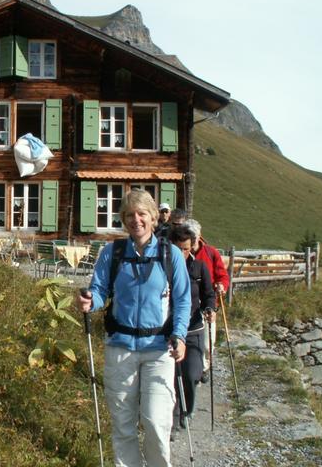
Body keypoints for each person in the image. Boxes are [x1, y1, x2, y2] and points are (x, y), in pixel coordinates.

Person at [76, 189, 191, 467]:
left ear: (153, 218)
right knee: (123, 423)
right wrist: (91, 301)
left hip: (159, 350)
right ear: (123, 219)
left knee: (155, 421)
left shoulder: (171, 254)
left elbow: (183, 299)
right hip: (120, 348)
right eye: (129, 215)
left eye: (141, 214)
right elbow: (101, 290)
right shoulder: (112, 252)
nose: (135, 220)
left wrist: (180, 336)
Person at [169, 224, 216, 429]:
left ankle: (187, 410)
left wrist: (210, 308)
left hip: (194, 329)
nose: (182, 252)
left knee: (191, 374)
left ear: (192, 247)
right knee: (171, 377)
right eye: (178, 248)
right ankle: (173, 418)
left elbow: (209, 294)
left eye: (186, 248)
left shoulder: (199, 268)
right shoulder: (163, 268)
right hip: (169, 331)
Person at [184, 219, 230, 383]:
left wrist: (221, 286)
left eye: (195, 238)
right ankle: (190, 369)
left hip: (208, 304)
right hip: (186, 304)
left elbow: (223, 276)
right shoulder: (180, 253)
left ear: (199, 236)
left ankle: (204, 368)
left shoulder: (211, 253)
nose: (192, 242)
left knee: (207, 343)